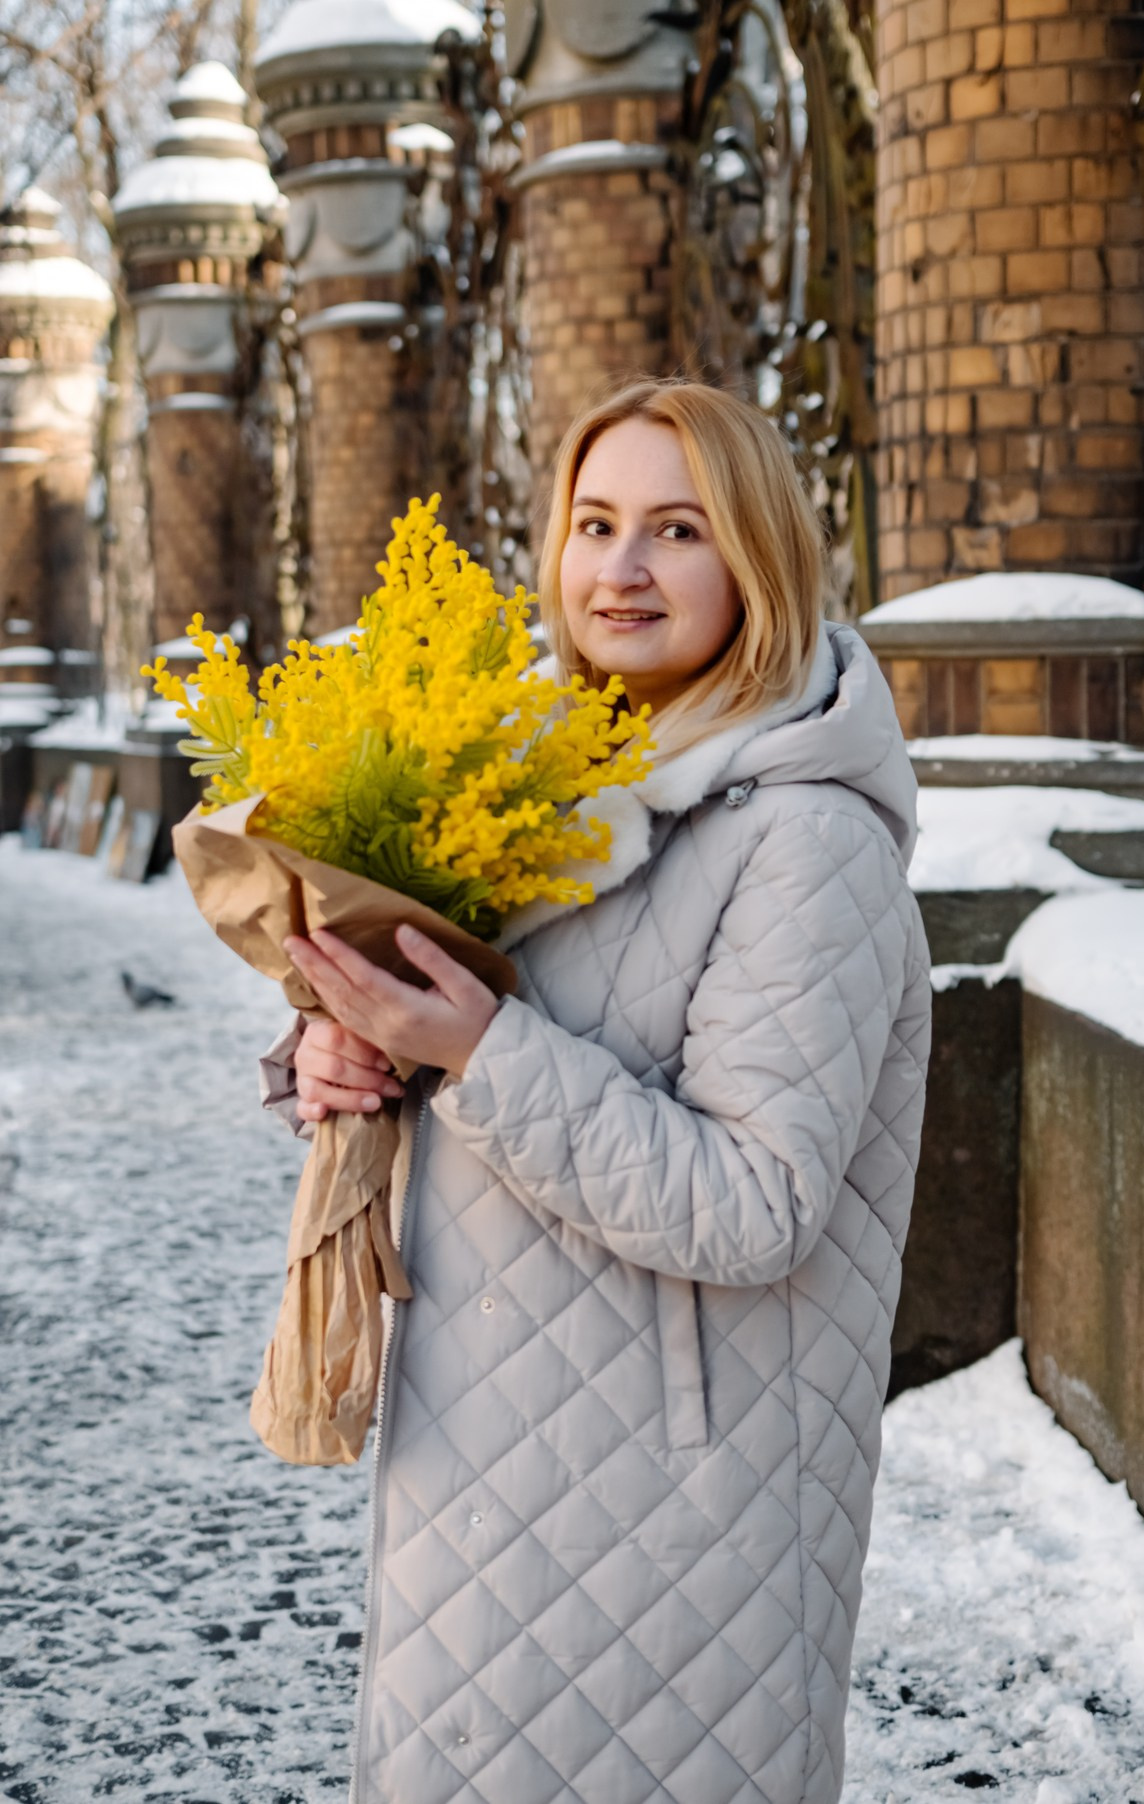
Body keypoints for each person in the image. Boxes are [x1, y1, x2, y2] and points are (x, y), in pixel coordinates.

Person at [261, 377, 931, 1804]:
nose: (620, 571)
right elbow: (481, 1048)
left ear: (755, 557)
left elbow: (757, 1208)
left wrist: (478, 1056)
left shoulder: (806, 843)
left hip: (676, 1513)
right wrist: (343, 1054)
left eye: (676, 530)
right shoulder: (530, 784)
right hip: (483, 1458)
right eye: (594, 523)